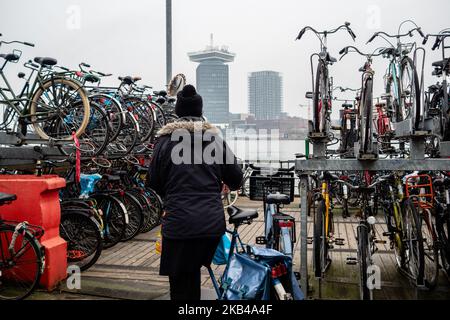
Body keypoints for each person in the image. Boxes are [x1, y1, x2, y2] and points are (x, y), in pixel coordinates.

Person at [147, 84, 243, 300]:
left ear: (177, 113)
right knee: (194, 271)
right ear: (201, 113)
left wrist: (171, 193)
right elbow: (236, 180)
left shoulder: (164, 142)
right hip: (211, 225)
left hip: (178, 224)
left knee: (181, 284)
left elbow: (153, 181)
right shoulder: (215, 141)